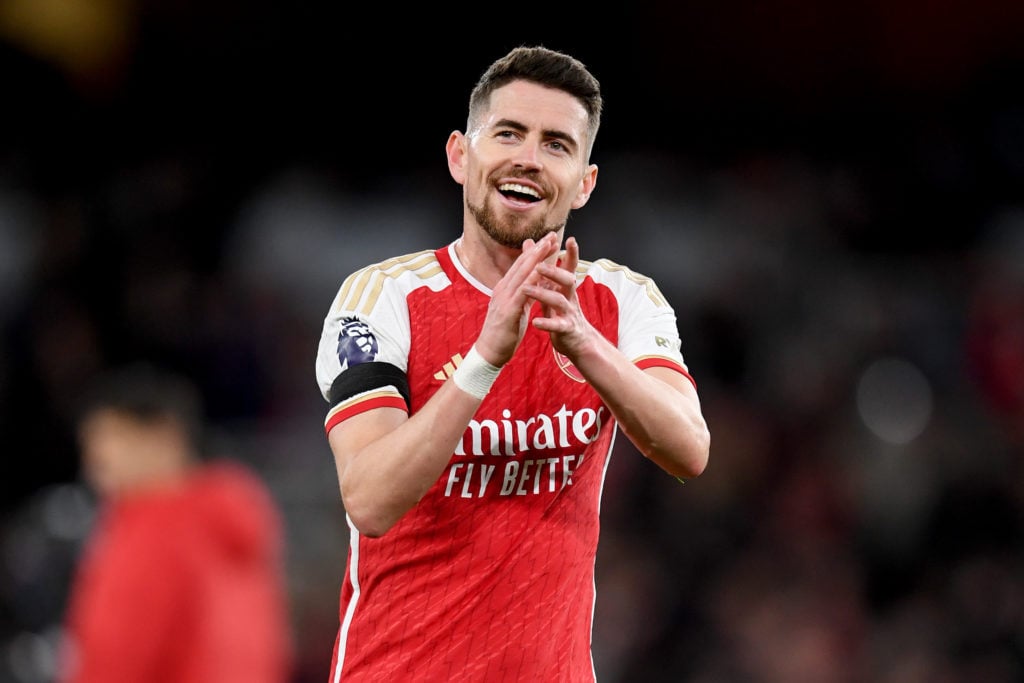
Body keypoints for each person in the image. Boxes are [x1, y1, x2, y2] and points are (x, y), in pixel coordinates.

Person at [314, 45, 711, 682]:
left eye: (557, 143)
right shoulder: (382, 298)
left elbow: (689, 450)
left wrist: (584, 344)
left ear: (584, 182)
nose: (529, 157)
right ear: (459, 156)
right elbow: (370, 498)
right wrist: (485, 359)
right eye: (508, 133)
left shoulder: (619, 301)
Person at [57, 363, 294, 683]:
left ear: (165, 434)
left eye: (111, 436)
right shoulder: (235, 518)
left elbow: (115, 654)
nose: (96, 460)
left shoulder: (152, 528)